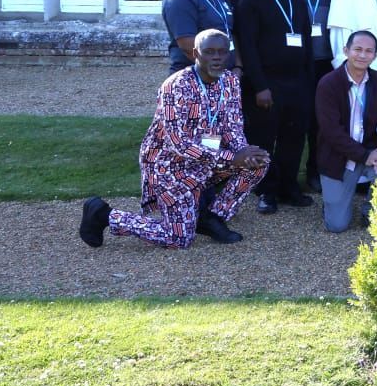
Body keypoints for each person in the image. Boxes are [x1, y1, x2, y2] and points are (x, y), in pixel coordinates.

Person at [79, 30, 269, 249]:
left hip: (207, 161)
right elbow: (178, 143)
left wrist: (243, 153)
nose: (217, 57)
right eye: (209, 52)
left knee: (258, 163)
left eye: (222, 52)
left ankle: (211, 218)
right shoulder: (176, 86)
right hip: (170, 166)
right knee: (178, 239)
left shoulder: (230, 83)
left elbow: (233, 127)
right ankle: (104, 215)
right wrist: (232, 157)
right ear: (195, 54)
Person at [235, 0, 313, 213]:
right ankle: (266, 190)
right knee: (264, 139)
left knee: (294, 138)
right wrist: (260, 86)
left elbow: (307, 45)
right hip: (266, 85)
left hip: (297, 84)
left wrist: (308, 84)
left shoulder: (298, 1)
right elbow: (248, 47)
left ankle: (289, 186)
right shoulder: (251, 1)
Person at [314, 29, 377, 232]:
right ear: (346, 50)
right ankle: (332, 202)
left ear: (375, 55)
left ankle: (370, 211)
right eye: (357, 49)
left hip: (369, 150)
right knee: (337, 225)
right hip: (337, 157)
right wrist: (364, 155)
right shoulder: (329, 83)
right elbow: (331, 131)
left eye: (369, 51)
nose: (362, 55)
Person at [296, 0, 339, 190]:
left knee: (320, 122)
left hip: (325, 63)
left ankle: (315, 171)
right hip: (296, 64)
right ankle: (287, 175)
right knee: (295, 120)